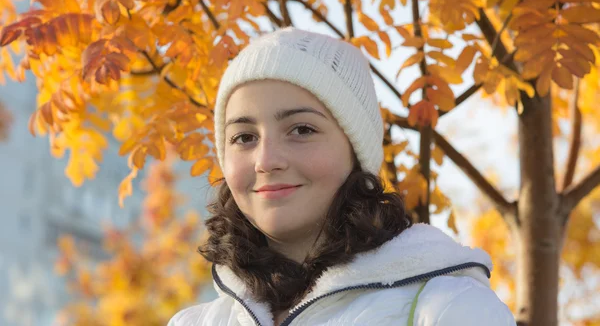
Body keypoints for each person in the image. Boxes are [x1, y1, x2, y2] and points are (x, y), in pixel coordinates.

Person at [167, 27, 516, 326]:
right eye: (244, 137)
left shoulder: (447, 308)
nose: (266, 160)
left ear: (356, 149)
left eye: (301, 130)